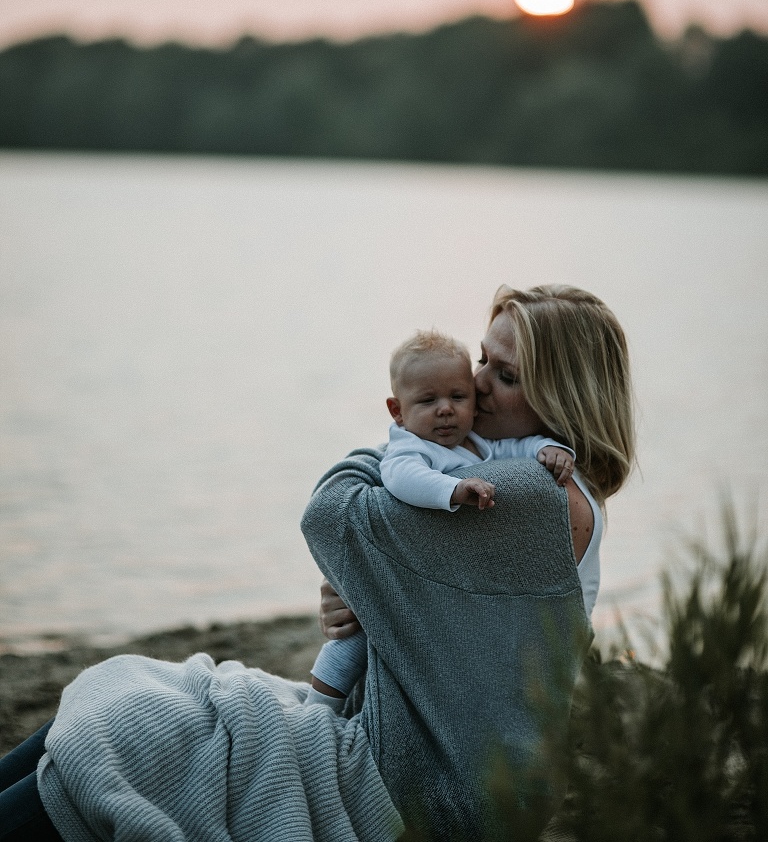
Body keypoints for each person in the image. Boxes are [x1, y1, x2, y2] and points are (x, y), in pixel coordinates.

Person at [0, 283, 635, 842]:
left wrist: (403, 445)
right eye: (481, 360)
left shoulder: (535, 497)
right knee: (137, 703)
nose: (475, 385)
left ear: (564, 396)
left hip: (424, 783)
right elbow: (424, 598)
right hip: (430, 749)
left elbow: (333, 513)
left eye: (508, 375)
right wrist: (372, 588)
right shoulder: (545, 484)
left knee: (142, 734)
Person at [306, 328, 576, 710]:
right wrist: (451, 491)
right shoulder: (410, 447)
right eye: (428, 400)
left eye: (458, 397)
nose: (445, 409)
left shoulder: (478, 442)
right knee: (353, 638)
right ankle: (318, 704)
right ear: (398, 411)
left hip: (436, 582)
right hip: (402, 570)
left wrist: (550, 448)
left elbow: (518, 446)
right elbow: (402, 479)